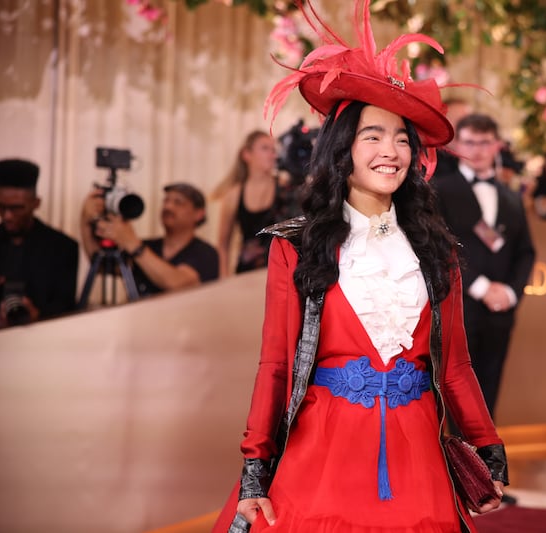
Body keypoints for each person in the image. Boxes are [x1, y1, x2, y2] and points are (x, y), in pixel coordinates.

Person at [212, 2, 507, 532]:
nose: (390, 150)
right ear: (343, 149)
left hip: (418, 453)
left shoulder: (438, 252)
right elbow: (275, 365)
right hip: (322, 451)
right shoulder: (296, 246)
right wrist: (255, 465)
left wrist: (487, 446)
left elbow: (457, 367)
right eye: (373, 135)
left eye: (401, 138)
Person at [431, 113, 536, 418]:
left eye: (484, 142)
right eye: (469, 142)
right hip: (457, 306)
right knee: (452, 392)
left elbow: (526, 252)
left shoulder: (512, 197)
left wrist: (511, 293)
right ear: (456, 145)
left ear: (497, 146)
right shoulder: (440, 189)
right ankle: (455, 462)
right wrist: (480, 287)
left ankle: (483, 461)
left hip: (500, 312)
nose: (477, 150)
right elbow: (437, 247)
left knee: (489, 391)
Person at [80, 182, 219, 299]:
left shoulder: (206, 253)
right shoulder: (149, 246)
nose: (168, 207)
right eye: (166, 201)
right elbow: (101, 265)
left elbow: (178, 283)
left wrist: (132, 243)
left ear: (199, 214)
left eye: (178, 202)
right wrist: (86, 221)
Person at [0, 158, 78, 327]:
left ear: (36, 203)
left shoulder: (63, 248)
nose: (7, 216)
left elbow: (66, 308)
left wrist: (37, 315)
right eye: (1, 207)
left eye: (16, 208)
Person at [214, 131, 290, 276]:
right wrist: (224, 279)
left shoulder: (285, 187)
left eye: (273, 150)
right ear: (246, 155)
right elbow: (223, 244)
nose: (272, 154)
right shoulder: (234, 194)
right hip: (245, 273)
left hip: (279, 272)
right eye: (265, 148)